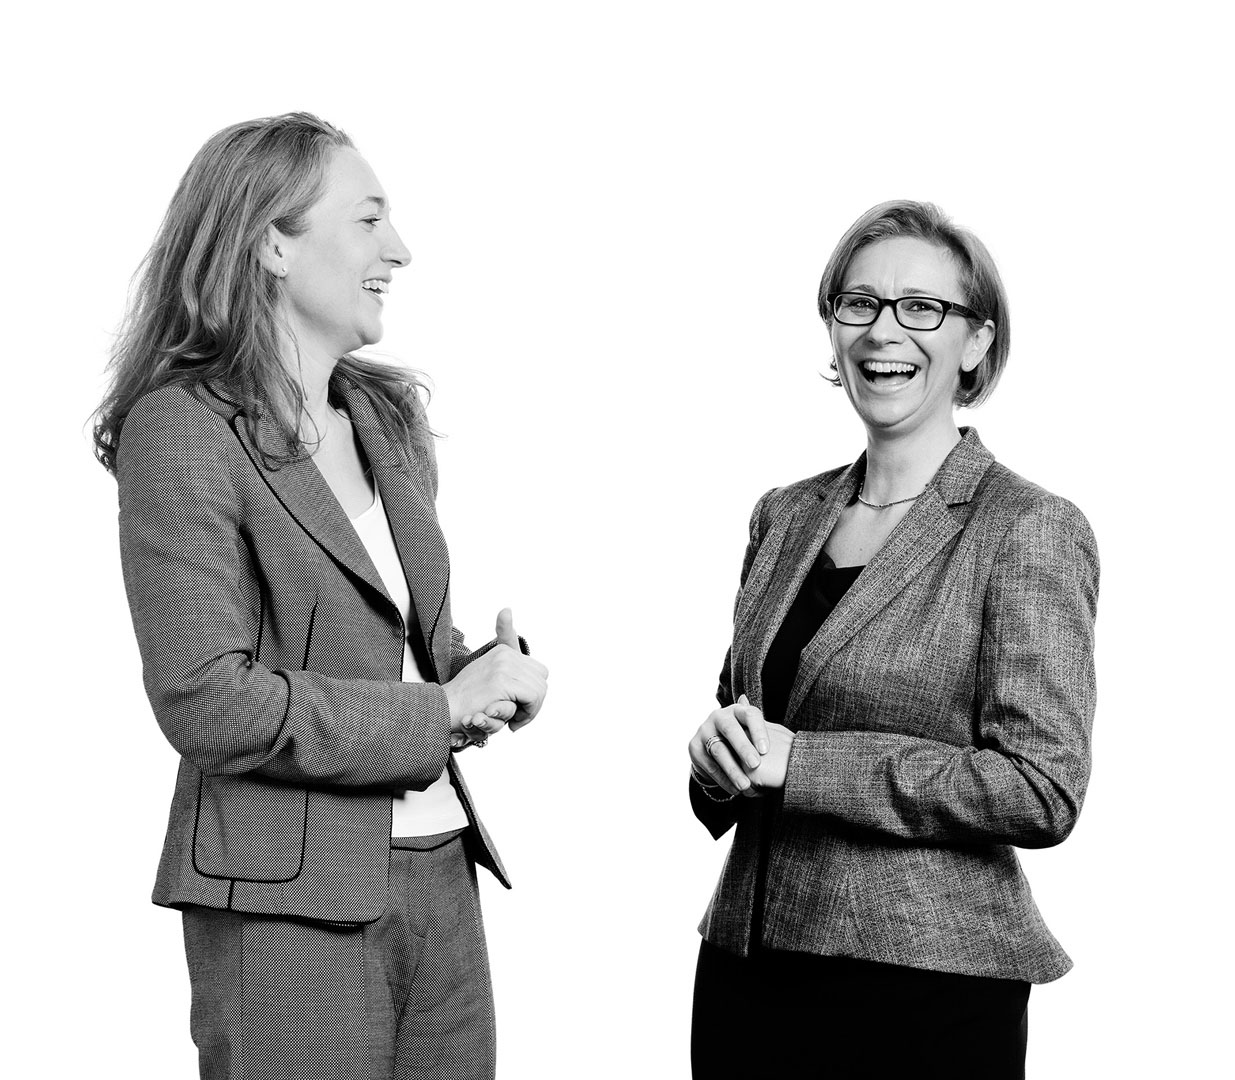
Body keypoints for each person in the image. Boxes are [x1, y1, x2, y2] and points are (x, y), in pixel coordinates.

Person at [93, 112, 548, 1080]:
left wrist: (482, 675)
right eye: (368, 220)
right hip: (285, 901)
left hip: (441, 875)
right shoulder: (180, 429)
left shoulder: (384, 416)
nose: (401, 250)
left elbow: (389, 649)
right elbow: (209, 700)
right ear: (270, 242)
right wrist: (441, 709)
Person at [687, 200, 1098, 1079]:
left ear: (976, 343)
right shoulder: (785, 513)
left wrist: (803, 766)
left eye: (921, 308)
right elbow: (747, 722)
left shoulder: (1027, 528)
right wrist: (714, 757)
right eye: (858, 303)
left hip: (921, 986)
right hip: (747, 969)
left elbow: (1041, 787)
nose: (884, 330)